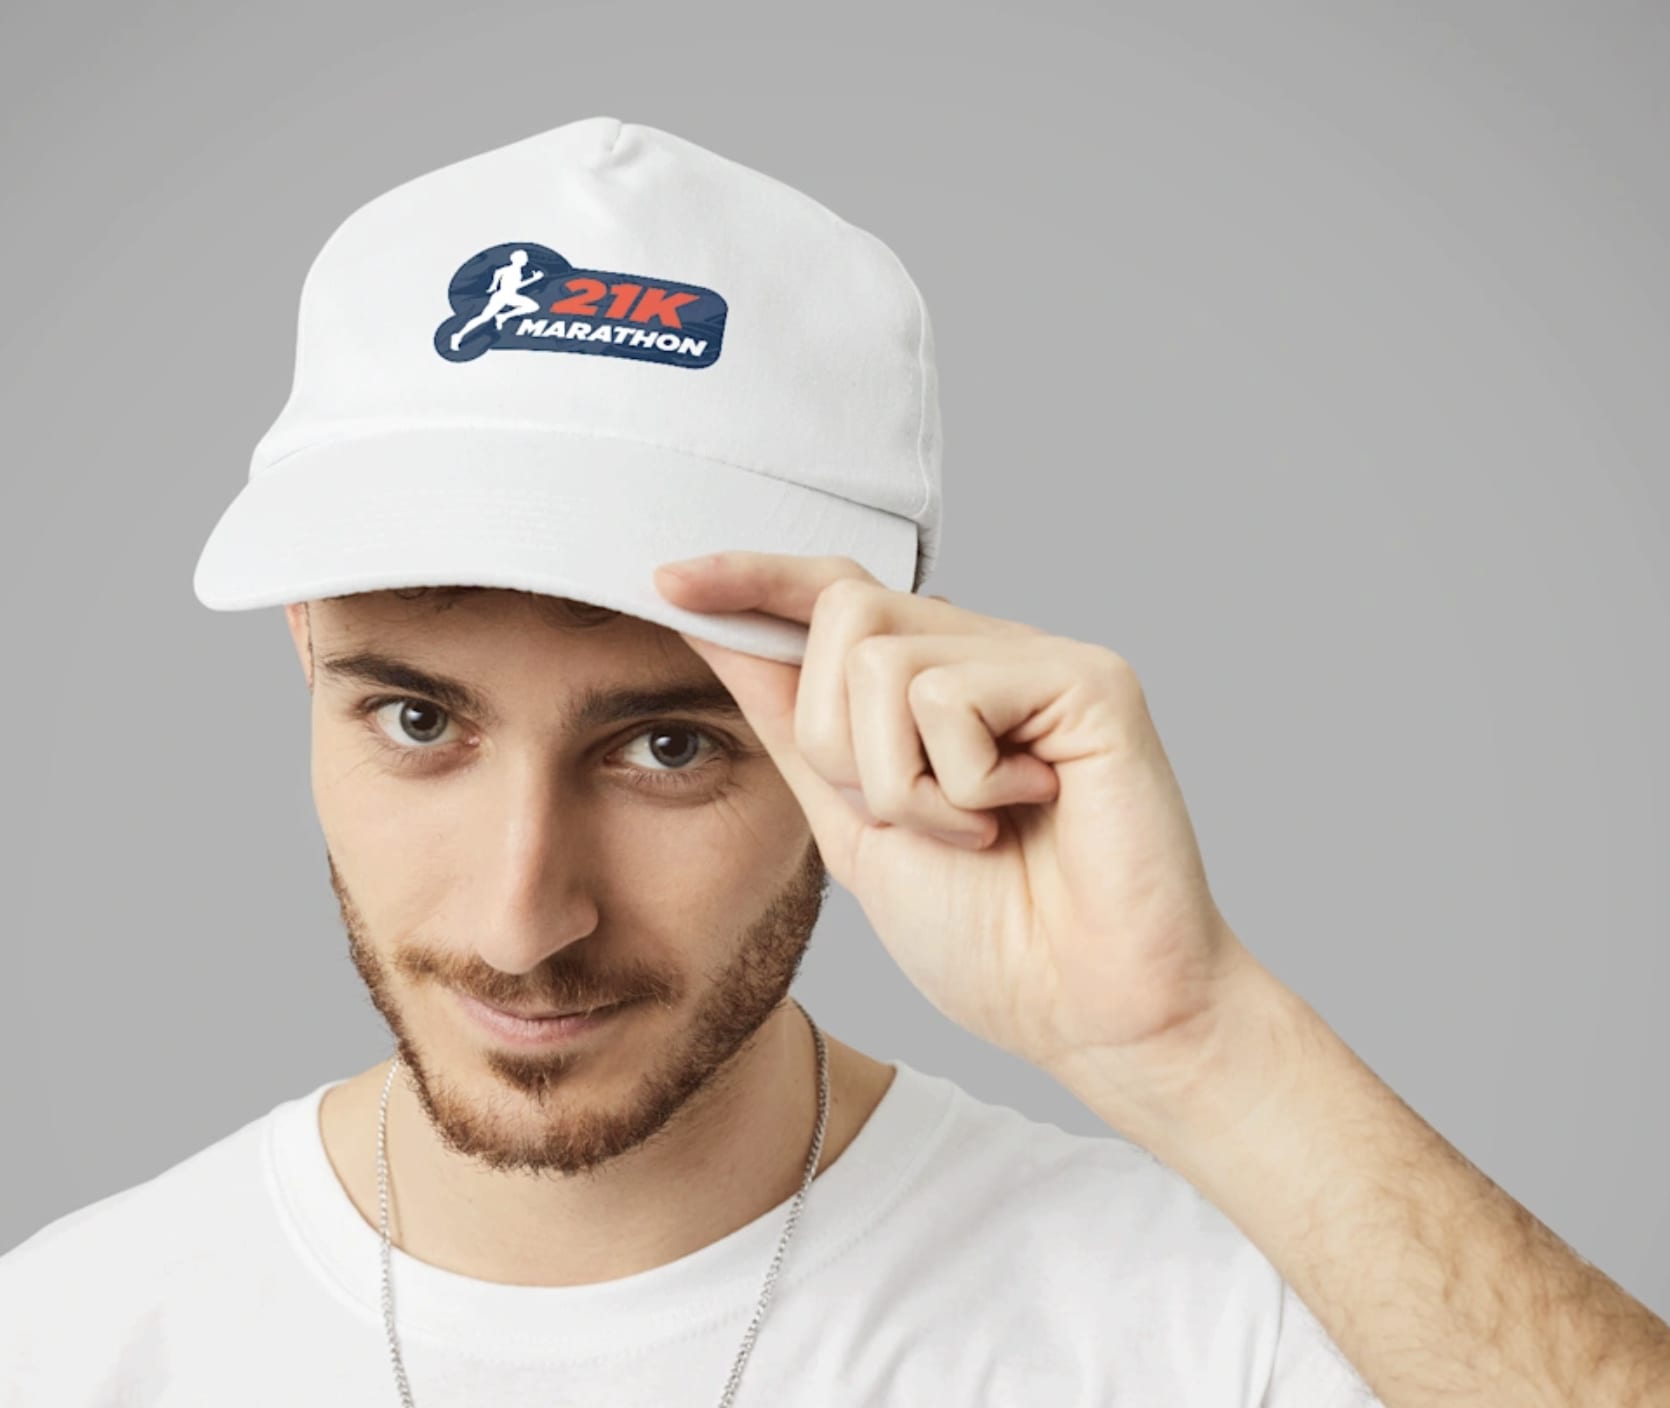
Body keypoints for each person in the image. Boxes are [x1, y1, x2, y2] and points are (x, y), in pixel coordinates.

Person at [2, 115, 1665, 1408]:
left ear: (886, 677)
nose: (523, 923)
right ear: (303, 642)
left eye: (667, 745)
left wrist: (1194, 1041)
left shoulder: (1183, 1327)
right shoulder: (71, 1345)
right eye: (417, 722)